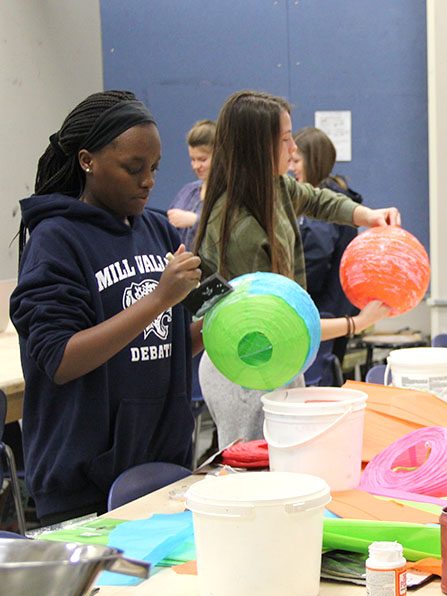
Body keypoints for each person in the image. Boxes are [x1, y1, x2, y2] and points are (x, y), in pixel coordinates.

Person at [10, 90, 203, 525]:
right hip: (82, 484)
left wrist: (214, 327)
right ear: (87, 161)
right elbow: (60, 359)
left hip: (161, 467)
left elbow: (161, 344)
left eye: (153, 168)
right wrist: (159, 299)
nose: (148, 181)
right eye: (133, 168)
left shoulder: (155, 228)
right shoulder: (55, 239)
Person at [194, 90, 398, 445]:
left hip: (275, 361)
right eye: (285, 139)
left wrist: (368, 215)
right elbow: (280, 325)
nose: (292, 149)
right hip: (245, 369)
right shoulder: (240, 230)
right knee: (256, 473)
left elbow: (317, 198)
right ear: (258, 147)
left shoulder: (273, 188)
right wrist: (358, 323)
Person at [289, 127, 362, 385]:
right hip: (334, 308)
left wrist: (286, 284)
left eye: (296, 161)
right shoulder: (336, 196)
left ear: (313, 161)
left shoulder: (324, 203)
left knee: (318, 387)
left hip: (326, 310)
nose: (291, 167)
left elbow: (315, 257)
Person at [167, 119, 216, 250]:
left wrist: (195, 221)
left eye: (202, 159)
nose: (196, 166)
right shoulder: (188, 191)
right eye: (192, 159)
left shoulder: (230, 194)